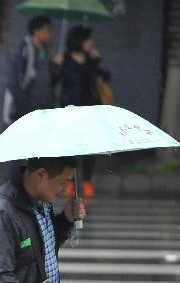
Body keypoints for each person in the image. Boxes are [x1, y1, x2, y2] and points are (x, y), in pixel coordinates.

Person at [61, 26, 111, 199]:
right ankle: (69, 182)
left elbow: (106, 76)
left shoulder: (91, 60)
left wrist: (97, 61)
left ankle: (87, 180)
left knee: (89, 147)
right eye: (88, 40)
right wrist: (54, 65)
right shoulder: (65, 60)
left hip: (90, 108)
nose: (91, 43)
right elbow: (55, 81)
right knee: (71, 148)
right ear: (79, 41)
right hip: (70, 109)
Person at [3, 15, 63, 126]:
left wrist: (56, 66)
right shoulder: (24, 52)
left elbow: (51, 81)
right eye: (48, 29)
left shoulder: (47, 52)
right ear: (36, 31)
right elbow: (13, 83)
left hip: (45, 110)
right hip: (27, 112)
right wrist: (25, 105)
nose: (51, 33)